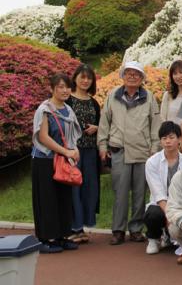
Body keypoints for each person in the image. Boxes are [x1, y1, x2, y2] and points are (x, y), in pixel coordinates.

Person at [98, 61, 162, 245]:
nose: (132, 76)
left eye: (136, 73)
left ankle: (136, 229)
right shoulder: (113, 95)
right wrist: (102, 146)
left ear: (142, 78)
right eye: (129, 73)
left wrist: (154, 149)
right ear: (123, 76)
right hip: (119, 150)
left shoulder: (149, 97)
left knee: (140, 193)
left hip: (143, 151)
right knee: (120, 193)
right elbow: (104, 122)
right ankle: (118, 230)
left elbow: (154, 125)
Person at [31, 73, 82, 253]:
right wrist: (65, 151)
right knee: (47, 200)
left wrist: (73, 150)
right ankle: (45, 239)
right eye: (60, 87)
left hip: (63, 161)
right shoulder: (44, 109)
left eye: (67, 86)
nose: (64, 90)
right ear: (52, 89)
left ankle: (61, 236)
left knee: (63, 198)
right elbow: (43, 137)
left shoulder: (68, 110)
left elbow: (72, 135)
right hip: (44, 161)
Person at [66, 64, 101, 244]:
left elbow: (102, 125)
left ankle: (83, 227)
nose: (85, 80)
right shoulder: (67, 100)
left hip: (90, 151)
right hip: (72, 152)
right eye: (82, 77)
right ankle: (74, 227)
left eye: (89, 78)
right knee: (73, 188)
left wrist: (97, 128)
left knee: (89, 188)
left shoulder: (93, 102)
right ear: (75, 78)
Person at [144, 121, 182, 254]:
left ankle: (174, 237)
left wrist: (177, 213)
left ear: (179, 139)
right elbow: (158, 193)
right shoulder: (152, 162)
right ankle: (154, 238)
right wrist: (170, 215)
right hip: (160, 204)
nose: (167, 141)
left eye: (171, 137)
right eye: (164, 138)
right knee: (153, 214)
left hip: (180, 203)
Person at [161, 60, 182, 125]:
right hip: (171, 133)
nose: (178, 76)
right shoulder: (168, 95)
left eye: (181, 72)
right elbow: (163, 119)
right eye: (175, 73)